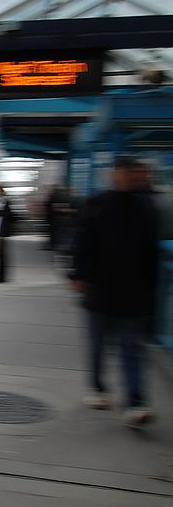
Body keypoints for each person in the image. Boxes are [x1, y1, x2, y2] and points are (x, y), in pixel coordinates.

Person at [69, 157, 160, 427]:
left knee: (130, 350)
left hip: (132, 295)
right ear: (114, 174)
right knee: (98, 347)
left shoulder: (145, 207)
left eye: (135, 174)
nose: (131, 178)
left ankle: (135, 403)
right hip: (100, 292)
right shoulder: (96, 204)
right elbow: (81, 242)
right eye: (126, 173)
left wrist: (151, 289)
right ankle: (97, 388)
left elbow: (151, 252)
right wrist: (78, 274)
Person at [0, 185, 16, 283]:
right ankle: (1, 278)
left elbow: (7, 214)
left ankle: (1, 278)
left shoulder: (4, 200)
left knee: (1, 255)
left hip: (3, 231)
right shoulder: (4, 199)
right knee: (1, 255)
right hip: (3, 231)